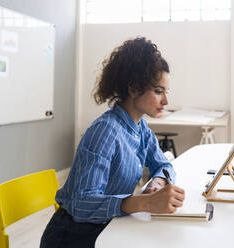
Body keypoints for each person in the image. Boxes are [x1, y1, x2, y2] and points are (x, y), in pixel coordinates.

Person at [40, 37, 185, 248]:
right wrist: (144, 202)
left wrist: (157, 183)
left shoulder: (141, 128)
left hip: (108, 227)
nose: (166, 101)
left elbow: (164, 165)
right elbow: (81, 204)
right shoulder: (105, 131)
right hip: (72, 237)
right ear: (134, 88)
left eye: (166, 92)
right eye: (158, 91)